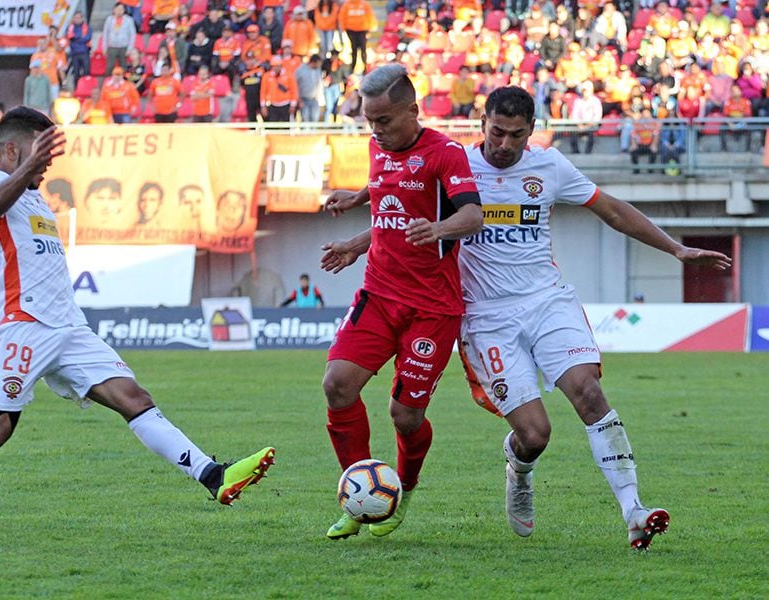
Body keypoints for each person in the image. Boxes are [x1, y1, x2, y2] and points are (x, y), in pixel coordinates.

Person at [0, 106, 275, 540]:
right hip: (22, 324)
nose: (46, 165)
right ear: (12, 149)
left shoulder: (36, 199)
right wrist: (19, 185)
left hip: (68, 327)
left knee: (133, 397)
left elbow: (17, 242)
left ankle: (212, 474)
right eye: (39, 155)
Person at [451, 87, 729, 549]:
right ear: (482, 123)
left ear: (531, 132)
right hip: (486, 317)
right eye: (497, 132)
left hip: (547, 302)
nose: (504, 145)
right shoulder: (455, 166)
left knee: (589, 392)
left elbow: (614, 212)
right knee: (535, 435)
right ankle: (518, 469)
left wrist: (676, 248)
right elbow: (399, 205)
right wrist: (359, 241)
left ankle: (634, 511)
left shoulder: (550, 165)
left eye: (516, 136)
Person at [317, 64, 484, 540]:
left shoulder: (446, 154)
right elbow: (390, 199)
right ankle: (358, 497)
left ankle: (402, 490)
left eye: (385, 121)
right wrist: (355, 228)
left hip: (432, 308)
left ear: (413, 111)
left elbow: (473, 214)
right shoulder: (378, 147)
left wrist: (441, 228)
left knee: (404, 416)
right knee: (337, 385)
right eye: (370, 121)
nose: (377, 131)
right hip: (379, 292)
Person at [102, 2, 137, 71]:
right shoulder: (109, 19)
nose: (119, 11)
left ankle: (123, 81)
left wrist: (130, 48)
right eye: (118, 9)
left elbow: (132, 35)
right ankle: (108, 80)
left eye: (121, 9)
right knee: (110, 66)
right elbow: (105, 33)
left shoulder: (129, 20)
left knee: (123, 66)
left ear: (124, 10)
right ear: (114, 10)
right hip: (112, 46)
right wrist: (104, 47)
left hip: (124, 47)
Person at [295, 54, 323, 122]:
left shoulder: (318, 70)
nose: (319, 66)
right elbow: (295, 85)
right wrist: (298, 99)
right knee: (305, 119)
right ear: (313, 62)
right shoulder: (300, 70)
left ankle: (313, 132)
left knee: (314, 119)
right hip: (303, 99)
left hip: (314, 99)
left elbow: (319, 83)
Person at [66, 10, 92, 79]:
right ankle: (77, 88)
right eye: (75, 18)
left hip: (84, 52)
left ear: (82, 18)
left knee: (86, 72)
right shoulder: (70, 27)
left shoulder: (87, 27)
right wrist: (80, 37)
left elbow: (87, 38)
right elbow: (70, 37)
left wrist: (76, 38)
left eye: (78, 17)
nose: (77, 19)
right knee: (76, 74)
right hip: (74, 53)